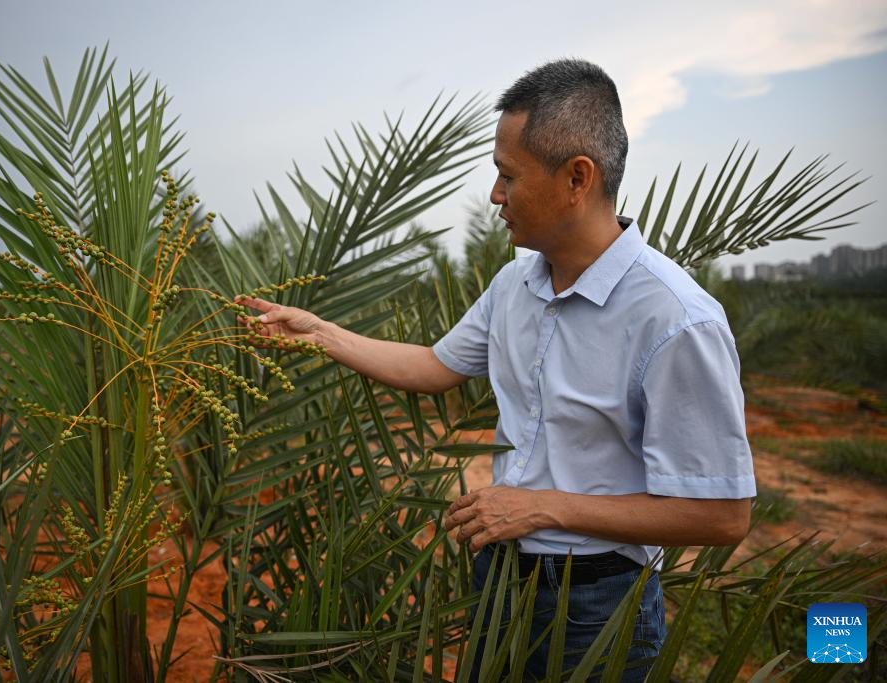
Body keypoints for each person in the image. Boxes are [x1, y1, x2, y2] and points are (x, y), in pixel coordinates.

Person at [237, 58, 756, 681]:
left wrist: (541, 508)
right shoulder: (514, 285)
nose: (494, 195)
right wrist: (320, 333)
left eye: (508, 175)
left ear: (577, 177)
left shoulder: (676, 320)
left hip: (596, 606)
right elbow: (434, 366)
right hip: (499, 576)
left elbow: (722, 515)